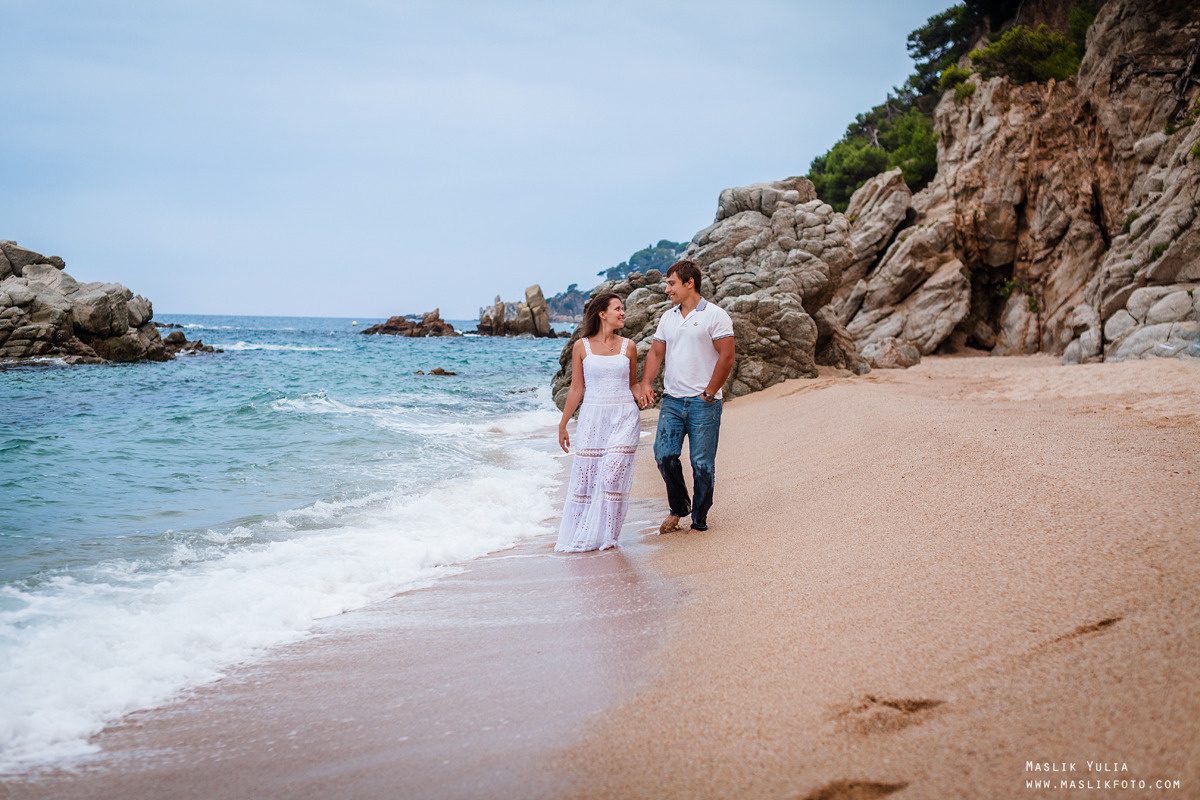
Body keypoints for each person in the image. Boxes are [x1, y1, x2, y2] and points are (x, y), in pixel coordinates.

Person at [638, 260, 735, 533]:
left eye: (671, 283)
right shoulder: (668, 317)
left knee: (702, 465)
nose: (667, 289)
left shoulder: (715, 315)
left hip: (704, 404)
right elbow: (656, 353)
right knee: (664, 455)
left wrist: (709, 393)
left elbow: (727, 357)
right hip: (672, 401)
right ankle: (680, 508)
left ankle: (699, 518)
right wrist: (646, 383)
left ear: (689, 282)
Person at [555, 292, 644, 552]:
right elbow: (575, 389)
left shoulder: (629, 346)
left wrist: (644, 395)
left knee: (611, 475)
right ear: (602, 314)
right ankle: (594, 535)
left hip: (625, 416)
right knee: (588, 481)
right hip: (593, 419)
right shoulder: (582, 346)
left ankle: (607, 536)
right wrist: (563, 424)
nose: (623, 313)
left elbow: (633, 384)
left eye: (623, 308)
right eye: (618, 308)